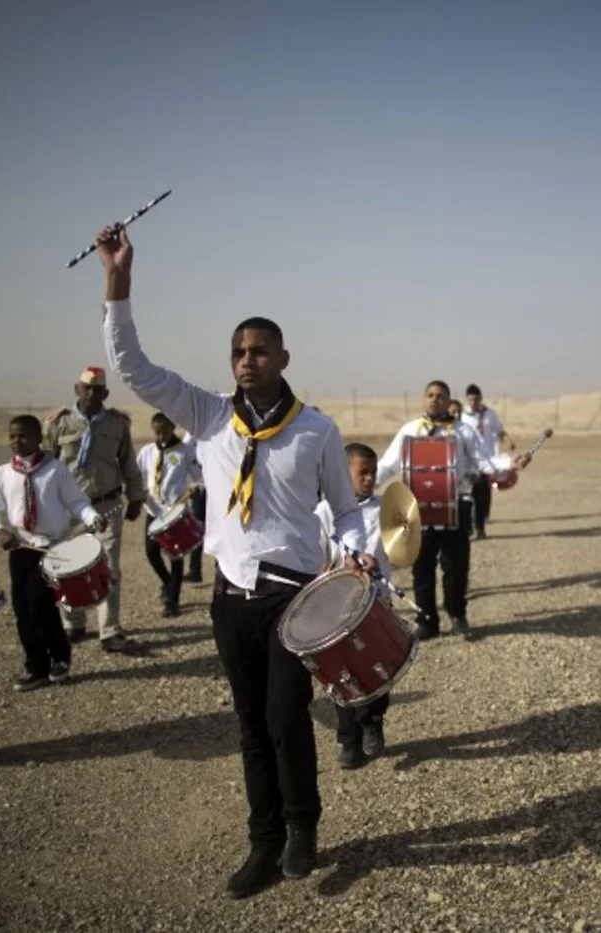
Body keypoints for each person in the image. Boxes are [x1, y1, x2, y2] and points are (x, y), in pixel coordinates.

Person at [95, 225, 373, 899]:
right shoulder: (209, 415)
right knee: (250, 725)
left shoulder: (317, 429)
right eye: (238, 352)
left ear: (283, 357)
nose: (246, 361)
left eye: (259, 351)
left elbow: (346, 509)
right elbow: (133, 368)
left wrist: (354, 550)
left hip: (294, 599)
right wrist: (118, 281)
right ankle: (264, 840)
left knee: (285, 718)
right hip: (230, 598)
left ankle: (302, 827)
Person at [377, 381, 530, 641]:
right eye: (430, 395)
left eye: (440, 396)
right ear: (423, 398)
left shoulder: (463, 431)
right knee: (422, 568)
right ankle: (427, 621)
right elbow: (389, 464)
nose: (434, 399)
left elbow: (483, 462)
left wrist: (509, 463)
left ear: (449, 401)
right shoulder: (409, 430)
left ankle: (458, 615)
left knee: (456, 566)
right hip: (418, 510)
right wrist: (363, 483)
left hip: (455, 507)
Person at [0, 415, 107, 691]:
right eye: (12, 436)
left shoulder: (56, 470)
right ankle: (36, 666)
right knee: (23, 611)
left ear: (39, 439)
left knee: (41, 607)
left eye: (24, 436)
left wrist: (92, 517)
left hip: (52, 550)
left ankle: (60, 656)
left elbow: (76, 501)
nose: (17, 441)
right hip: (20, 550)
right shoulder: (2, 474)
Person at [45, 366, 145, 653]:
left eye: (96, 389)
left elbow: (128, 462)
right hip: (67, 509)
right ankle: (73, 623)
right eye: (85, 388)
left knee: (108, 568)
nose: (90, 394)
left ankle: (110, 630)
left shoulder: (117, 424)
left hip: (107, 506)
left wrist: (135, 497)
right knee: (66, 567)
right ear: (77, 390)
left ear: (105, 393)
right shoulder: (58, 424)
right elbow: (46, 466)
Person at [315, 443, 392, 769]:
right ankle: (348, 739)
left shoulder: (387, 509)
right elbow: (316, 559)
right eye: (363, 473)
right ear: (343, 475)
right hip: (338, 608)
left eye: (373, 472)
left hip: (376, 602)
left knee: (378, 668)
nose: (370, 478)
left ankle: (372, 721)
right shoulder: (323, 512)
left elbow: (401, 549)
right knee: (341, 675)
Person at [137, 412, 203, 617]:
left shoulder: (185, 451)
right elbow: (136, 476)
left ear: (173, 428)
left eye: (164, 432)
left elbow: (199, 477)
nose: (160, 436)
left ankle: (173, 601)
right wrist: (137, 493)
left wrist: (195, 487)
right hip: (153, 510)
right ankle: (168, 582)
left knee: (175, 555)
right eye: (157, 432)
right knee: (151, 552)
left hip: (175, 512)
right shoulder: (147, 451)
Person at [459, 384, 513, 540]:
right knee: (468, 495)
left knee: (483, 495)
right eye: (470, 399)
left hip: (488, 460)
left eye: (476, 399)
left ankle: (481, 527)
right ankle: (469, 527)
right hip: (469, 461)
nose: (473, 403)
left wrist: (508, 441)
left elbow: (500, 431)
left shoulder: (490, 414)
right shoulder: (462, 416)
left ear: (480, 398)